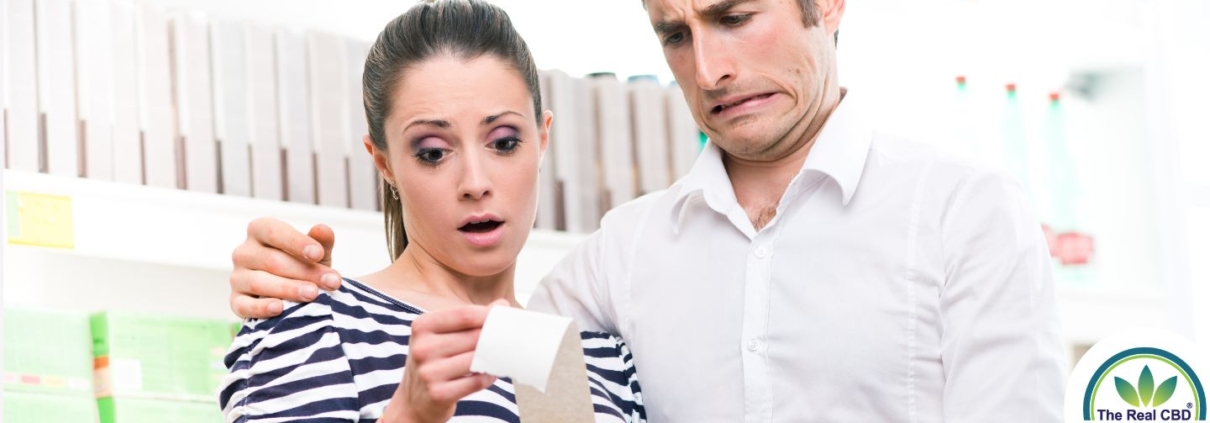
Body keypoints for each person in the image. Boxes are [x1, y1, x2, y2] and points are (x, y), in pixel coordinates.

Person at [228, 0, 1068, 421]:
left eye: (736, 17)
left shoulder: (965, 212)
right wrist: (280, 279)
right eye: (674, 33)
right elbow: (476, 322)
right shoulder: (618, 261)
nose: (710, 69)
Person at [219, 1, 644, 421]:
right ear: (384, 162)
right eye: (434, 152)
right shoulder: (315, 324)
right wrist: (410, 414)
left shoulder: (603, 359)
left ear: (542, 138)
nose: (475, 182)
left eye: (504, 142)